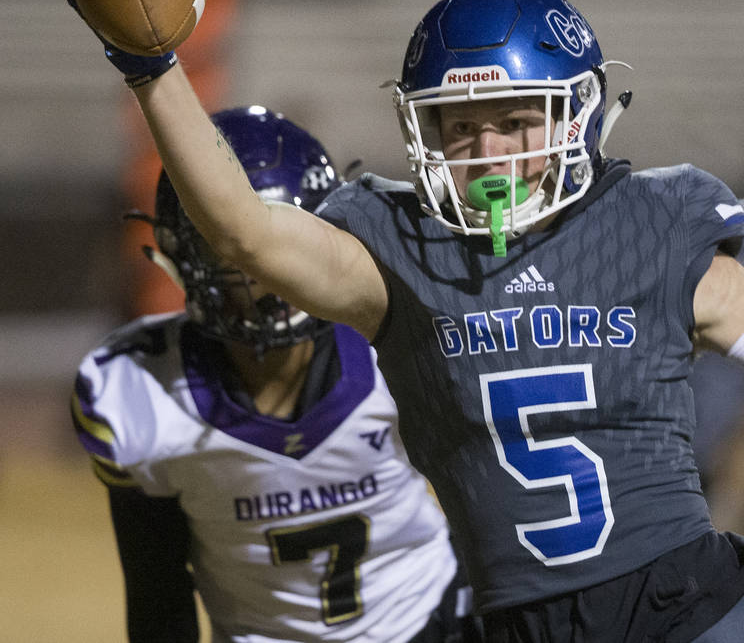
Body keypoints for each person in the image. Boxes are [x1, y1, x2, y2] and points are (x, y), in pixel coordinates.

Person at [58, 0, 744, 641]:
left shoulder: (656, 228)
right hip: (510, 620)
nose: (486, 150)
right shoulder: (393, 249)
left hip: (682, 606)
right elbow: (238, 229)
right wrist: (152, 66)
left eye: (513, 117)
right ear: (421, 133)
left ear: (574, 115)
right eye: (458, 126)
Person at [71, 106, 479, 643]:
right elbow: (157, 590)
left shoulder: (401, 344)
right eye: (227, 248)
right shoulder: (137, 391)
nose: (259, 273)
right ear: (179, 252)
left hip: (428, 621)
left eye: (281, 242)